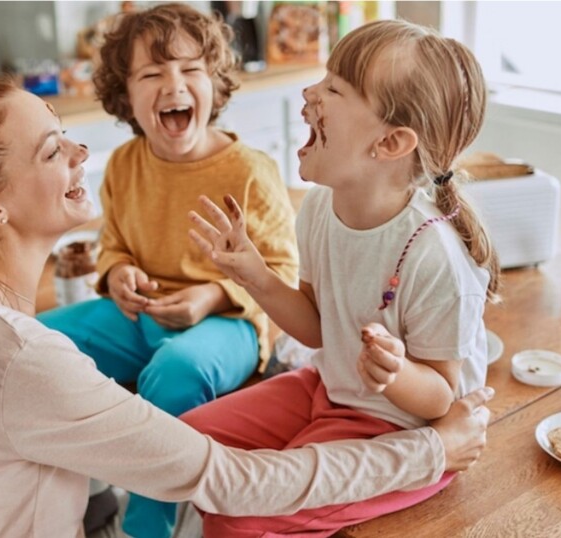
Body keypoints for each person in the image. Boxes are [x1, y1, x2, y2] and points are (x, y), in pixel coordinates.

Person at [0, 79, 493, 538]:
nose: (80, 153)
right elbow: (234, 484)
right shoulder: (17, 358)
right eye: (53, 151)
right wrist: (433, 449)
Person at [188, 19, 501, 537]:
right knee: (188, 446)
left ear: (390, 142)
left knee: (239, 515)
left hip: (400, 430)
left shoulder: (434, 255)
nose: (309, 93)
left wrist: (395, 373)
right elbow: (316, 329)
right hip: (330, 387)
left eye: (334, 88)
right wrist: (256, 276)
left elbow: (443, 400)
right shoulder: (319, 208)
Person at [36, 6, 298, 535]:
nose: (172, 84)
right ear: (125, 96)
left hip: (228, 324)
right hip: (138, 316)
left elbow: (282, 273)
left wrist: (208, 296)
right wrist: (116, 275)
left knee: (175, 372)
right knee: (37, 343)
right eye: (152, 74)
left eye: (190, 69)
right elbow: (113, 245)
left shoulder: (250, 170)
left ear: (216, 84)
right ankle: (82, 491)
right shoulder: (126, 164)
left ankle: (147, 525)